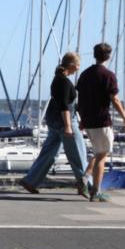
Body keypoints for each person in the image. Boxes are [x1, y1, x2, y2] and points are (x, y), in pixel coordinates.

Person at [19, 52, 89, 197]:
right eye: (78, 64)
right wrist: (69, 126)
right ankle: (87, 186)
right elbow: (64, 105)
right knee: (78, 154)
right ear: (71, 65)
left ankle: (31, 181)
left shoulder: (58, 79)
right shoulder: (63, 82)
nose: (79, 67)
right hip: (65, 122)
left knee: (49, 154)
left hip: (54, 122)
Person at [76, 42, 125, 202]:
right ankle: (96, 191)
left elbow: (80, 98)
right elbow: (114, 99)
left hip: (88, 120)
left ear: (94, 55)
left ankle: (85, 178)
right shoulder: (108, 75)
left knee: (98, 152)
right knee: (102, 155)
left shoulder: (85, 74)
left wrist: (81, 119)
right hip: (101, 120)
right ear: (108, 56)